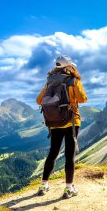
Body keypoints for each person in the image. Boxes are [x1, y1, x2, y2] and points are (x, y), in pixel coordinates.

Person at [36, 55, 87, 199]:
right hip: (71, 122)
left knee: (53, 152)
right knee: (69, 155)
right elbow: (83, 99)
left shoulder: (49, 82)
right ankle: (68, 188)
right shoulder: (73, 81)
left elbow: (39, 100)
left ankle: (43, 185)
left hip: (54, 122)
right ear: (69, 66)